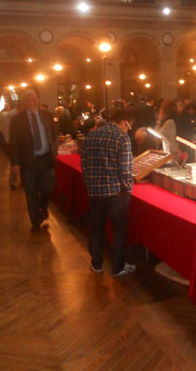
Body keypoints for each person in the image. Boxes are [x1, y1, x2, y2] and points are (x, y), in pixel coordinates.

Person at [81, 108, 136, 277]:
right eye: (129, 126)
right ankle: (118, 267)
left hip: (95, 192)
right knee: (119, 230)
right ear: (124, 122)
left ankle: (96, 264)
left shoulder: (92, 135)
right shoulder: (122, 137)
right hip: (116, 193)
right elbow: (126, 169)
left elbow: (83, 162)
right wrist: (128, 187)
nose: (129, 129)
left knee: (96, 228)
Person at [10, 89, 58, 231]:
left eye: (33, 99)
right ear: (23, 102)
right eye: (28, 99)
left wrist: (54, 149)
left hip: (46, 160)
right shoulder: (17, 120)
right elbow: (14, 143)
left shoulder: (47, 115)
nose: (31, 102)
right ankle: (35, 220)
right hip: (28, 162)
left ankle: (43, 207)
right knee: (30, 192)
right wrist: (15, 164)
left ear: (37, 100)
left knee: (47, 188)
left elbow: (54, 135)